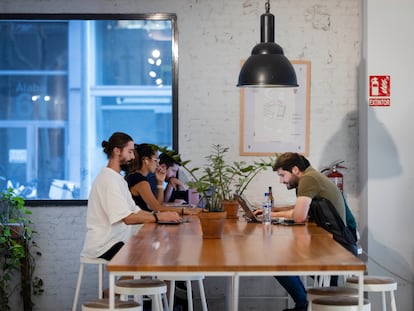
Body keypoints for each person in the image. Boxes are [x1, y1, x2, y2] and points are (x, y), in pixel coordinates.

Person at [255, 152, 358, 311]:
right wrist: (272, 210)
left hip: (339, 245)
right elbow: (301, 209)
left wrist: (271, 214)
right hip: (333, 240)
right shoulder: (310, 176)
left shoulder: (308, 179)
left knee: (276, 262)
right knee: (283, 257)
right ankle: (321, 293)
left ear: (295, 169)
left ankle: (304, 304)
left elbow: (299, 216)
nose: (281, 181)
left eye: (282, 175)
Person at [81, 132, 181, 261]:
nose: (133, 157)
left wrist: (162, 217)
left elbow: (135, 211)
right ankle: (159, 280)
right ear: (117, 151)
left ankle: (164, 281)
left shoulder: (118, 179)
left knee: (157, 248)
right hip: (104, 246)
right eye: (130, 152)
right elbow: (127, 218)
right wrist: (159, 216)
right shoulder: (109, 180)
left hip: (116, 240)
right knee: (154, 250)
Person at [124, 143, 198, 215]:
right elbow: (157, 208)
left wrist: (160, 182)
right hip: (140, 225)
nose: (158, 164)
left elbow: (158, 205)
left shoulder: (135, 176)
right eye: (156, 160)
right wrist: (184, 210)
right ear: (146, 160)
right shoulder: (140, 180)